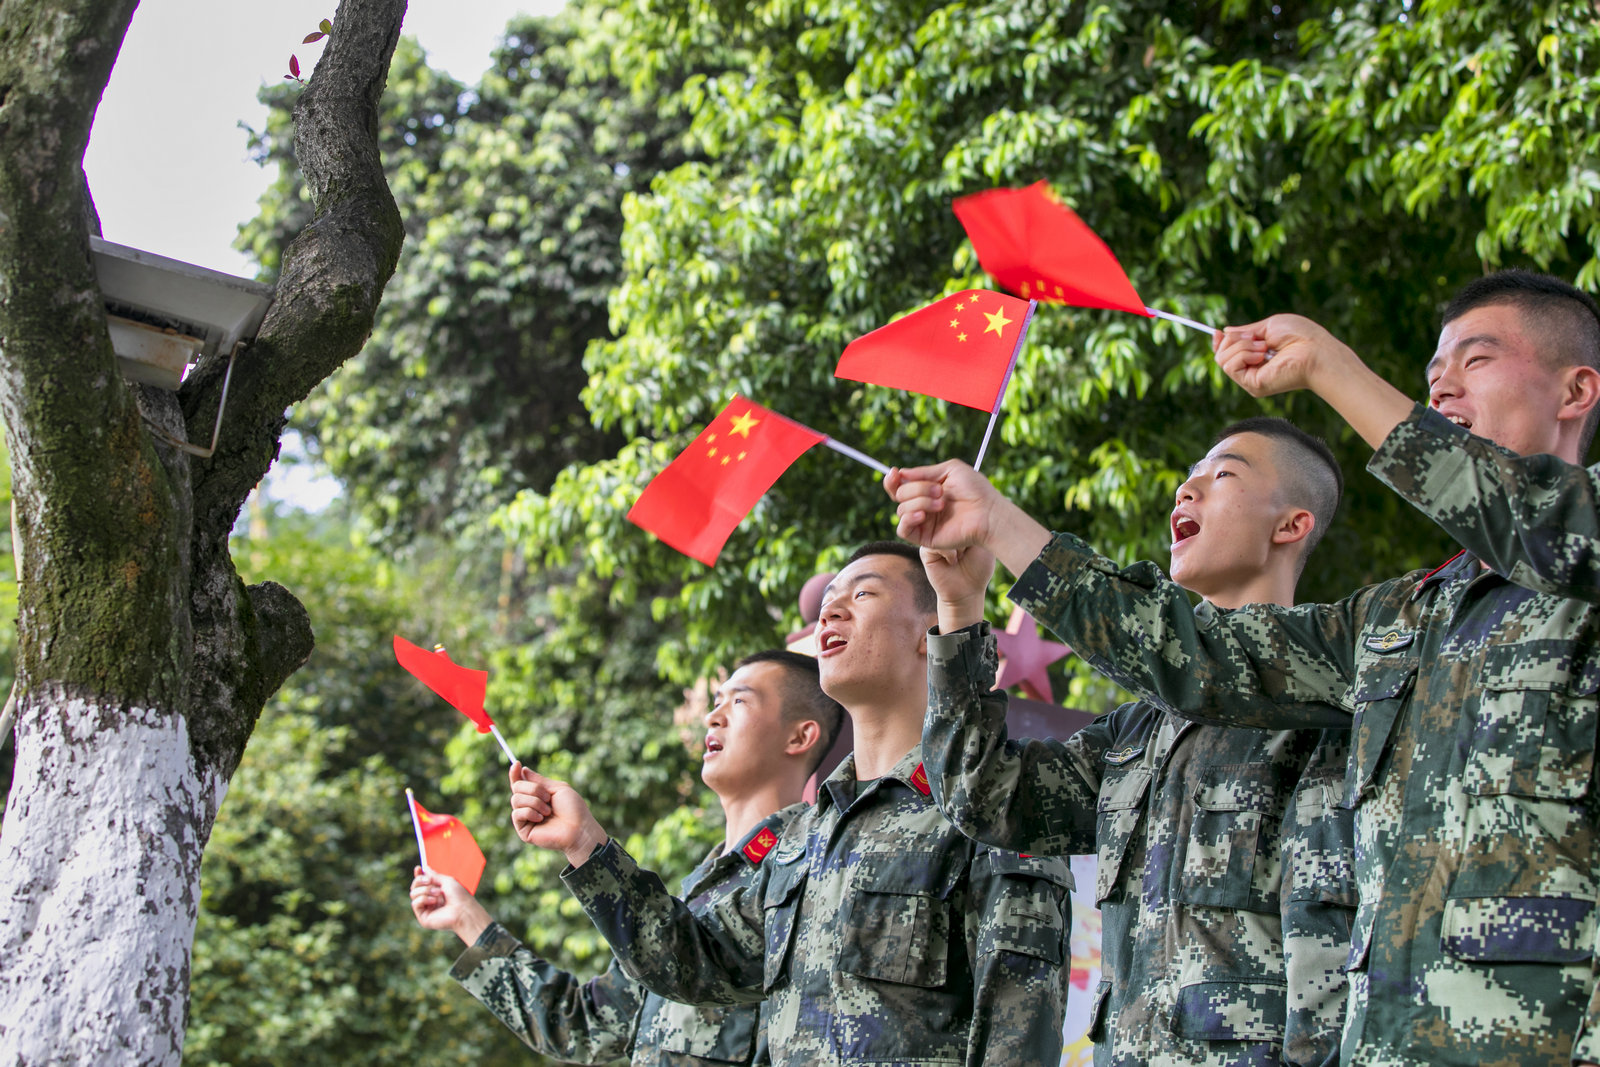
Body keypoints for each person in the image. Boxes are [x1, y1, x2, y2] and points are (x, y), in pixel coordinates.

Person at [888, 269, 1600, 1066]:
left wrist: (1333, 370)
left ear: (1576, 390)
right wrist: (998, 532)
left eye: (1474, 361)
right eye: (1432, 374)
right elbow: (1198, 650)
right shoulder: (1397, 622)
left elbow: (1540, 520)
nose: (1440, 387)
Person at [506, 543, 1073, 1067]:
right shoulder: (801, 840)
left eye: (863, 594)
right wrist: (586, 844)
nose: (831, 613)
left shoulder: (990, 811)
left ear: (931, 633)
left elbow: (1017, 1039)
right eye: (828, 603)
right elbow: (693, 965)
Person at [905, 417, 1355, 1067]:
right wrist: (959, 607)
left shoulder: (1333, 696)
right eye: (1188, 477)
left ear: (1291, 524)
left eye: (1222, 474)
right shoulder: (1137, 732)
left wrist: (999, 520)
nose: (1186, 490)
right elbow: (985, 794)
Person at [409, 649, 844, 1066]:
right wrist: (466, 918)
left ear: (800, 735)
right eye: (716, 701)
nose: (713, 716)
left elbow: (690, 963)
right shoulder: (694, 894)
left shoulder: (817, 863)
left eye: (740, 701)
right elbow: (582, 1025)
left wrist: (585, 843)